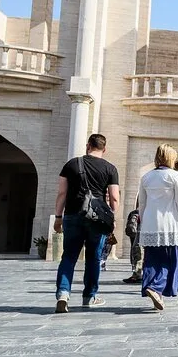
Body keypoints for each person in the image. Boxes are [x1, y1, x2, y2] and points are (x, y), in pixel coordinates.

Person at [54, 134, 120, 313]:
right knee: (93, 258)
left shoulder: (71, 164)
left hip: (73, 214)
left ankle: (63, 293)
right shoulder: (110, 168)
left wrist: (58, 217)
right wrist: (112, 218)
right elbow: (114, 198)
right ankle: (89, 296)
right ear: (104, 149)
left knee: (69, 256)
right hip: (97, 219)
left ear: (88, 145)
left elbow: (62, 193)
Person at [138, 144, 178, 310]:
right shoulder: (175, 176)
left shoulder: (146, 177)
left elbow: (142, 203)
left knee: (152, 259)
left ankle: (156, 291)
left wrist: (143, 221)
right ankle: (156, 287)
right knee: (173, 258)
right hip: (170, 222)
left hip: (150, 223)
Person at [122, 207, 143, 284]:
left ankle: (138, 275)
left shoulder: (134, 213)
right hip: (139, 230)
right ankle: (137, 274)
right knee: (138, 252)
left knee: (138, 252)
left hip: (139, 231)